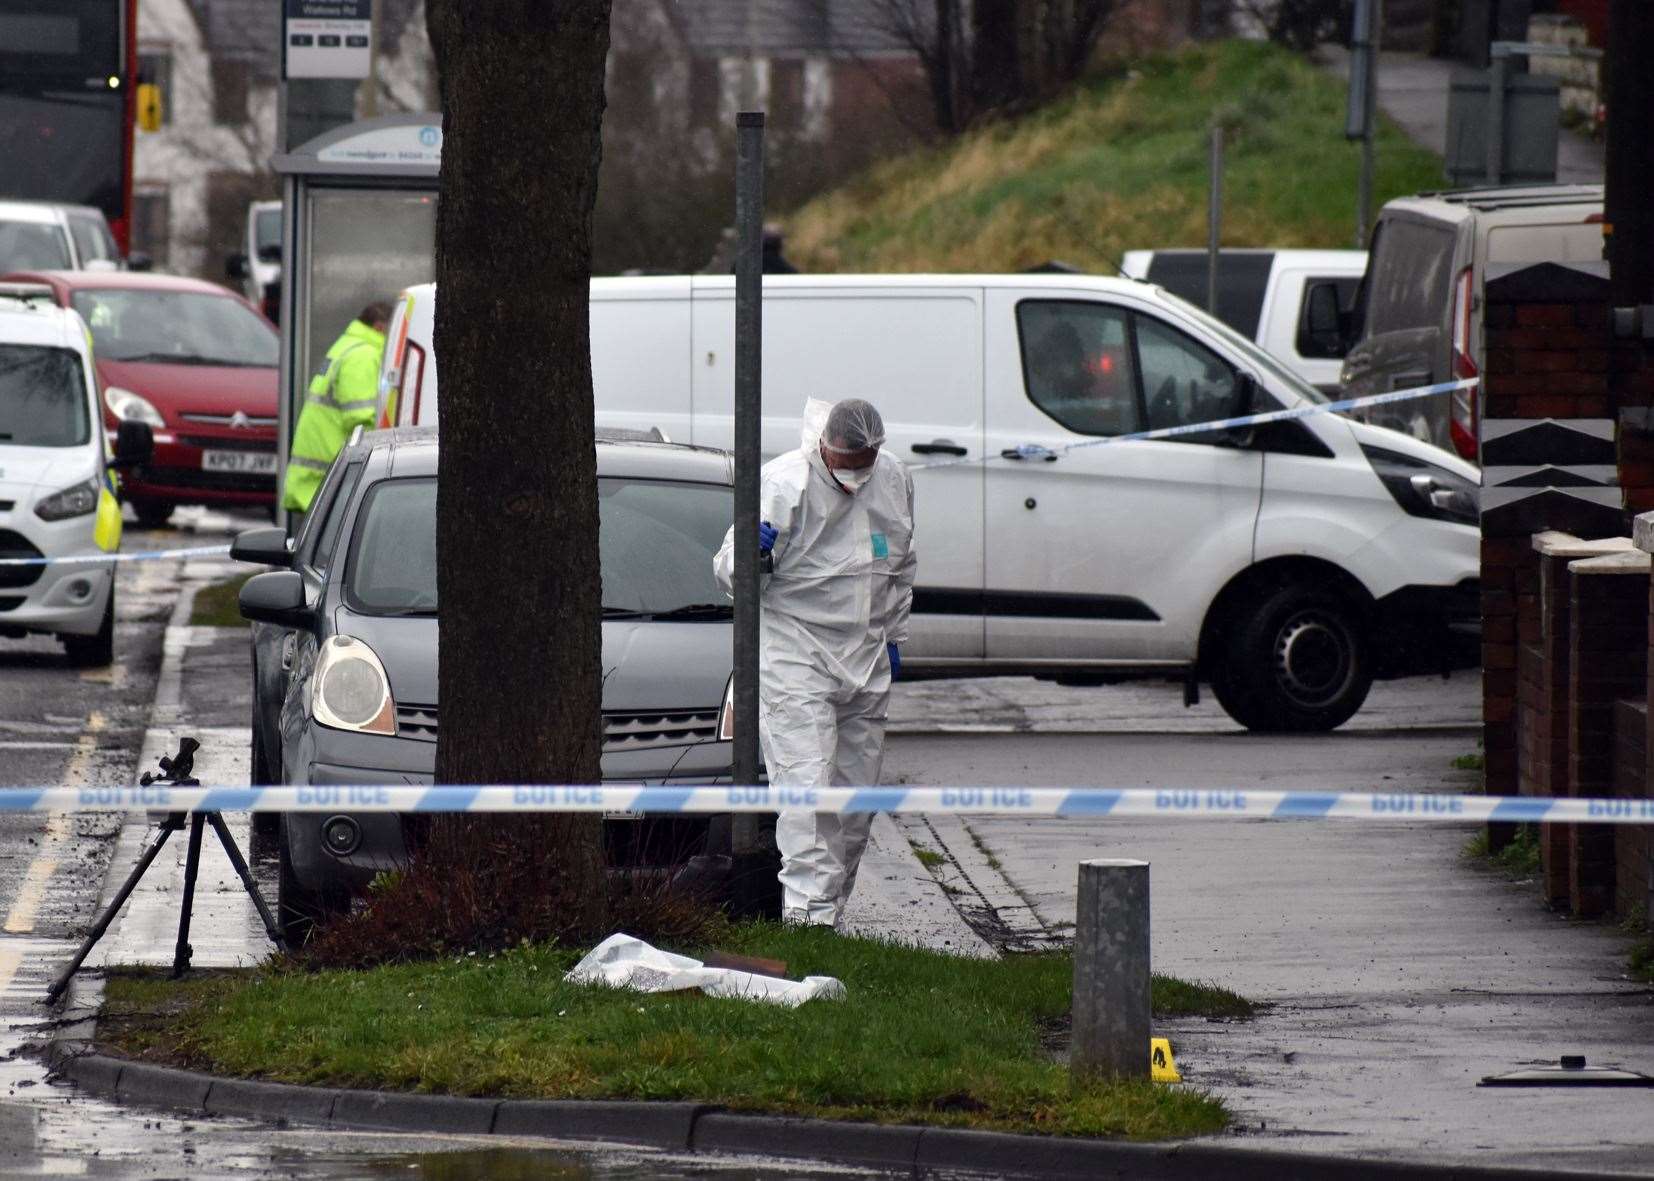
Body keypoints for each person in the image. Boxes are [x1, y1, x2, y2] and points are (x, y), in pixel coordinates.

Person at [714, 398, 917, 928]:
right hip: (796, 655)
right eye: (847, 462)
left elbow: (898, 564)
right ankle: (808, 922)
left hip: (866, 655)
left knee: (855, 802)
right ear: (824, 447)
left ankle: (831, 917)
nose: (856, 473)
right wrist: (748, 556)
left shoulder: (892, 479)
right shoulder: (784, 484)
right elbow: (731, 576)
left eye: (866, 461)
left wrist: (893, 635)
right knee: (807, 794)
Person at [282, 301, 391, 528]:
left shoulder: (347, 346)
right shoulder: (363, 355)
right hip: (331, 481)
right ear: (380, 328)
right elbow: (360, 419)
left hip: (318, 479)